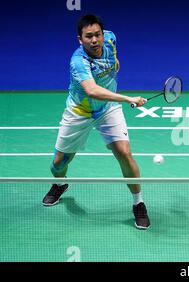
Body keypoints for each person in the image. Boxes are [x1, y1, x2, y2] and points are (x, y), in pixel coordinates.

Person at [42, 14, 150, 230]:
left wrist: (115, 64)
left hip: (108, 110)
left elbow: (115, 60)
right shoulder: (78, 61)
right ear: (79, 39)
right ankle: (61, 184)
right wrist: (128, 98)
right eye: (88, 36)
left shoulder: (110, 39)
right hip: (79, 112)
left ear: (103, 34)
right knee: (58, 165)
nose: (94, 40)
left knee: (124, 153)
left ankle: (138, 202)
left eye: (97, 35)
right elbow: (92, 90)